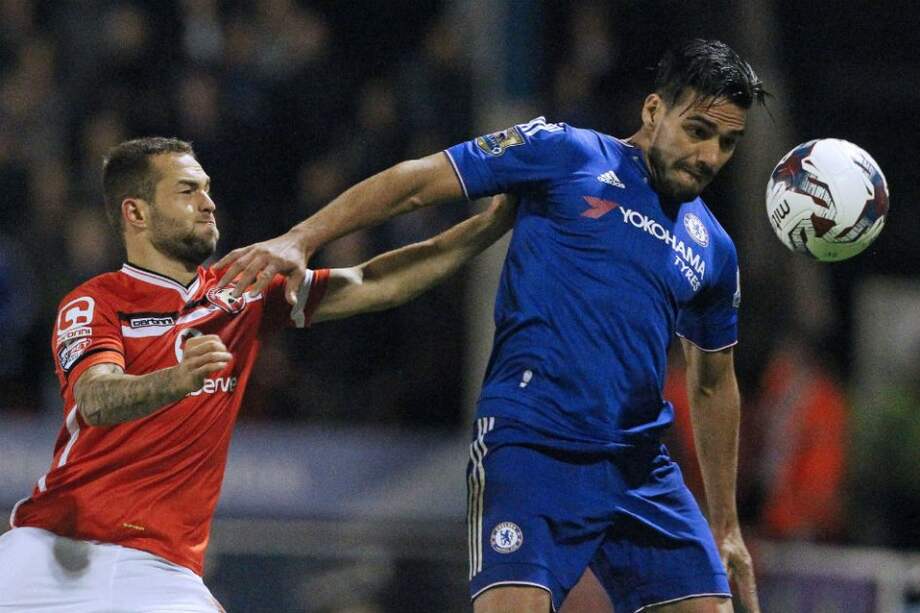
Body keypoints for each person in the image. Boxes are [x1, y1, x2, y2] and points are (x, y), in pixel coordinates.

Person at [217, 39, 765, 612]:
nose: (710, 155)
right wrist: (300, 238)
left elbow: (711, 383)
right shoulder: (565, 151)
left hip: (638, 462)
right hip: (533, 445)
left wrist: (726, 526)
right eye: (699, 130)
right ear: (653, 110)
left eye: (728, 142)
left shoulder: (715, 249)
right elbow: (416, 183)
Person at [0, 137, 516, 611]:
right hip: (52, 547)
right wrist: (177, 381)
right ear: (135, 212)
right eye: (187, 191)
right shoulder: (95, 300)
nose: (208, 203)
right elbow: (96, 397)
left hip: (160, 569)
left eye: (207, 189)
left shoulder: (242, 289)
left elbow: (377, 282)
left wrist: (486, 229)